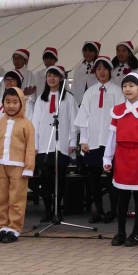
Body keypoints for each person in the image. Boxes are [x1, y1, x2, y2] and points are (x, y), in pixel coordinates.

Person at [103, 73, 138, 247]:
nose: (127, 89)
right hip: (122, 156)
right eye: (125, 85)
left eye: (132, 85)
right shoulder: (117, 110)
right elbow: (112, 136)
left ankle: (136, 233)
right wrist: (108, 157)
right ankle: (120, 232)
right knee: (122, 197)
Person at [74, 56, 124, 223]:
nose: (101, 72)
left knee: (112, 177)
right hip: (93, 141)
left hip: (111, 141)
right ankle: (98, 210)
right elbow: (83, 117)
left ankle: (113, 210)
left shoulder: (117, 91)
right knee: (94, 177)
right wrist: (84, 140)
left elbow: (121, 117)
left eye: (104, 68)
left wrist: (118, 141)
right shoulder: (90, 92)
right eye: (98, 69)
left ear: (110, 71)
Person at [0, 87, 35, 243]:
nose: (11, 106)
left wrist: (28, 168)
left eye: (15, 102)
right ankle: (3, 227)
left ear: (21, 104)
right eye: (7, 102)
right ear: (2, 103)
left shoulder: (27, 124)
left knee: (16, 198)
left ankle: (14, 228)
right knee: (0, 197)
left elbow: (30, 148)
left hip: (18, 166)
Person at [32, 66, 79, 222]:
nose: (51, 78)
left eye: (55, 76)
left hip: (62, 145)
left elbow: (74, 121)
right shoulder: (40, 99)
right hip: (44, 145)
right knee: (45, 180)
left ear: (61, 78)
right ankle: (47, 209)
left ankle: (58, 209)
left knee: (60, 179)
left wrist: (72, 141)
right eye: (49, 76)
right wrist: (35, 144)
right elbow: (35, 123)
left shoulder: (68, 98)